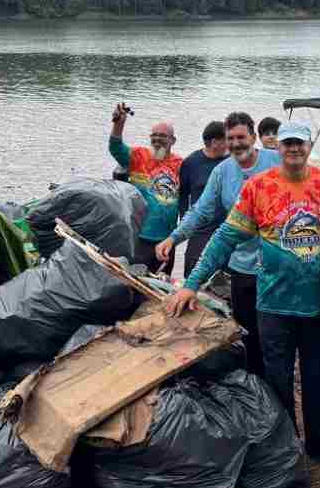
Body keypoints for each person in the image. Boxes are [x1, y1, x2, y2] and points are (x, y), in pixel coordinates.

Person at [168, 121, 320, 468]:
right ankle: (286, 448)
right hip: (273, 304)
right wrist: (191, 283)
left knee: (316, 377)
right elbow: (225, 237)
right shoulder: (259, 187)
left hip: (317, 305)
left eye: (300, 143)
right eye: (288, 143)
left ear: (309, 147)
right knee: (277, 379)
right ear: (279, 148)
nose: (294, 149)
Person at [156, 112, 280, 376]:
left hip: (276, 267)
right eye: (230, 138)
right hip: (242, 265)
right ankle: (256, 386)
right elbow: (201, 211)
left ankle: (277, 385)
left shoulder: (275, 161)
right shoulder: (222, 172)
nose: (236, 143)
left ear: (253, 137)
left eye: (241, 137)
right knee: (248, 333)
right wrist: (174, 238)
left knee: (275, 336)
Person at [108, 103, 182, 274]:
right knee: (133, 281)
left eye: (162, 135)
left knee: (161, 283)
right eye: (154, 135)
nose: (157, 139)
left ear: (173, 140)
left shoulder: (181, 165)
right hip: (139, 237)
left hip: (167, 240)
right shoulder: (138, 156)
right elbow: (115, 147)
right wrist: (119, 123)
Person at [176, 121, 229, 278]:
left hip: (226, 227)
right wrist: (186, 224)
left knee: (225, 275)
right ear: (214, 142)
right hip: (200, 228)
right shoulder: (191, 163)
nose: (230, 144)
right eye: (226, 139)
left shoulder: (231, 161)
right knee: (192, 271)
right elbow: (183, 195)